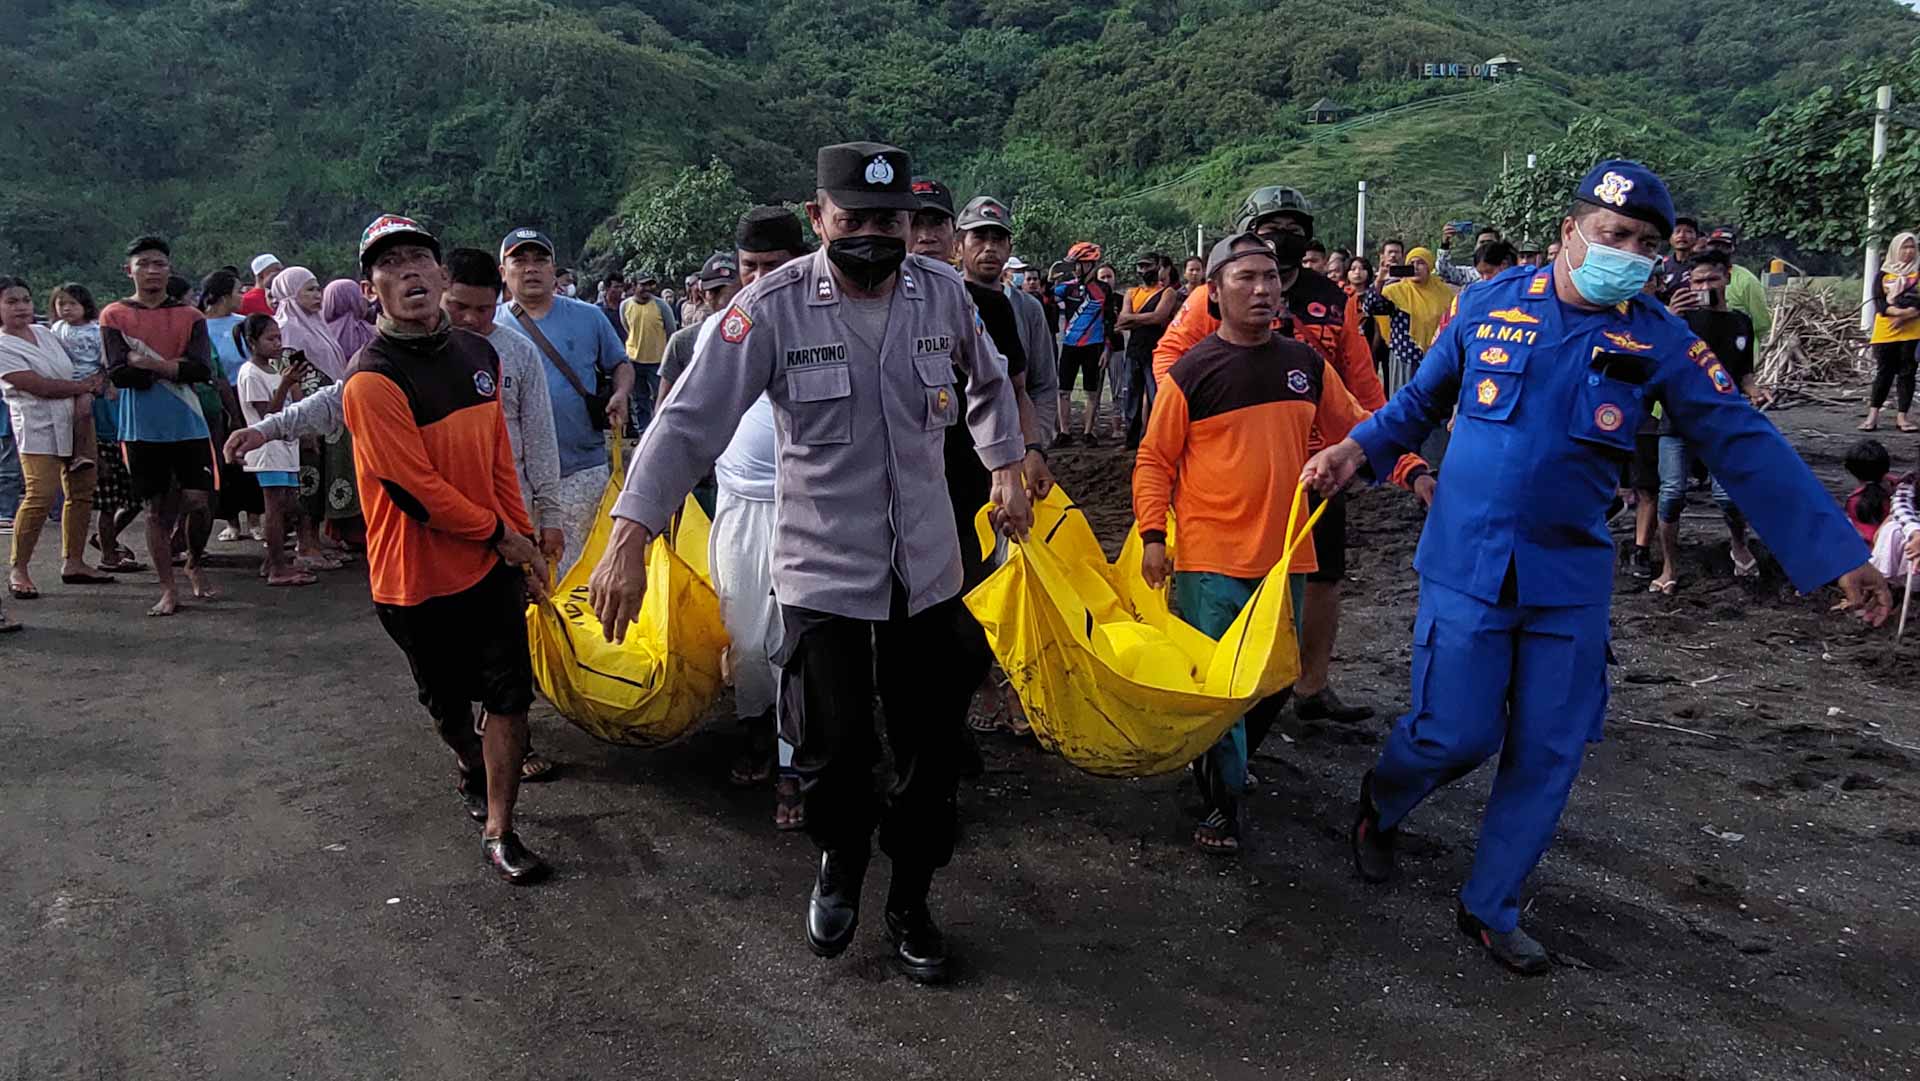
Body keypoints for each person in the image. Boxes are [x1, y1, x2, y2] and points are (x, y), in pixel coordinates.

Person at [1306, 160, 1892, 975]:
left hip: (1568, 580)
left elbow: (1743, 440)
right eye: (1614, 234)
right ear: (1569, 233)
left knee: (1548, 749)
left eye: (1646, 243)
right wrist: (1355, 450)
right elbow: (1418, 404)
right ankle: (1384, 800)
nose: (1629, 253)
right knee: (1455, 732)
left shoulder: (1657, 338)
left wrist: (1840, 555)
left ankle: (1491, 904)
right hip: (1467, 562)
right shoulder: (1486, 304)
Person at [589, 141, 1033, 984]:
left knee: (930, 752)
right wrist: (628, 536)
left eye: (891, 220)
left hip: (927, 567)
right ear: (817, 217)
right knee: (832, 748)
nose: (874, 235)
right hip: (823, 569)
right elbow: (686, 422)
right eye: (855, 218)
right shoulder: (771, 307)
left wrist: (1005, 462)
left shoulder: (942, 293)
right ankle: (840, 861)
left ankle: (911, 898)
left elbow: (988, 379)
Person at [1154, 185, 1433, 728]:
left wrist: (1398, 460)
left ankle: (1310, 684)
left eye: (1293, 228)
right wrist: (1205, 416)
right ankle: (1221, 704)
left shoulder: (1333, 298)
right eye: (1271, 228)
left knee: (1323, 576)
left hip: (1321, 468)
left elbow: (1362, 390)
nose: (1283, 238)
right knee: (1227, 583)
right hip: (1237, 465)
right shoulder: (1215, 294)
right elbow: (1171, 359)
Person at [1136, 234, 1377, 853]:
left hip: (1285, 556)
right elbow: (1154, 460)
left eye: (1270, 277)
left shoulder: (1305, 365)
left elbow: (1358, 428)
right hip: (1209, 556)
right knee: (1222, 687)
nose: (1263, 289)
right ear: (1214, 293)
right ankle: (1223, 804)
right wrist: (1154, 535)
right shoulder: (1191, 373)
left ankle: (1227, 764)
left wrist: (1408, 463)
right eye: (1245, 278)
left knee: (1273, 679)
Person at [342, 214, 552, 884]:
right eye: (389, 264)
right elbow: (416, 491)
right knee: (448, 709)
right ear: (370, 288)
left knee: (511, 696)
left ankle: (500, 829)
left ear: (440, 273)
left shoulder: (479, 357)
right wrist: (502, 535)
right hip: (414, 580)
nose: (408, 271)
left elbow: (498, 461)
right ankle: (468, 762)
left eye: (418, 258)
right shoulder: (370, 379)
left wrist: (522, 543)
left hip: (488, 570)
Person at [669, 207, 810, 825]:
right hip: (740, 508)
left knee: (798, 642)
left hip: (813, 509)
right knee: (747, 639)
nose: (758, 280)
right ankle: (755, 727)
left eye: (772, 266)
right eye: (749, 267)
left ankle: (794, 763)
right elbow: (681, 423)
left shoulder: (826, 323)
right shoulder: (715, 335)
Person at [495, 227, 632, 575]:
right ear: (503, 272)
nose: (531, 268)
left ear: (553, 270)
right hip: (515, 479)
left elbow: (620, 363)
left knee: (582, 572)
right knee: (527, 577)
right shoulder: (490, 327)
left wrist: (620, 394)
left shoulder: (589, 317)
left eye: (540, 260)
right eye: (519, 261)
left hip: (581, 470)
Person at [99, 236, 219, 617]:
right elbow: (120, 373)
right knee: (154, 509)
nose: (152, 271)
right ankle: (168, 588)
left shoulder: (191, 316)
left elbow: (201, 369)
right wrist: (173, 368)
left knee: (199, 501)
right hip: (141, 428)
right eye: (144, 264)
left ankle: (194, 560)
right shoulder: (114, 315)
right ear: (129, 270)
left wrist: (149, 363)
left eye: (160, 264)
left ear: (169, 269)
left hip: (188, 422)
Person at [1651, 249, 1766, 592]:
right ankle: (1669, 565)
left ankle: (1739, 545)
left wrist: (1756, 390)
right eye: (1697, 281)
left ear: (1727, 277)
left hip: (1723, 420)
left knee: (1728, 495)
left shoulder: (1740, 322)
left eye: (1711, 279)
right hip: (1678, 417)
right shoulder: (1678, 322)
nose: (1704, 287)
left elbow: (1744, 373)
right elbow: (1654, 356)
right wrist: (1670, 317)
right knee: (1671, 493)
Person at [0, 277, 111, 600]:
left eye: (25, 300)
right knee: (41, 494)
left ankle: (74, 561)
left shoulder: (46, 333)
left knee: (81, 490)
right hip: (36, 423)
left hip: (74, 417)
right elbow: (39, 386)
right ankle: (19, 568)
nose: (21, 307)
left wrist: (94, 381)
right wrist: (84, 387)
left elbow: (79, 365)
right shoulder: (3, 346)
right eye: (11, 302)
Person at [51, 284, 142, 571]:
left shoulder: (96, 334)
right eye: (61, 304)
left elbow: (107, 361)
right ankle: (108, 554)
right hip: (100, 440)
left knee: (136, 499)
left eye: (72, 303)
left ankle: (107, 542)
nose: (66, 309)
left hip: (121, 436)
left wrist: (105, 379)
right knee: (108, 504)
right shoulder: (57, 332)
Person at [233, 315, 317, 587]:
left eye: (279, 338)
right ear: (252, 342)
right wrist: (285, 384)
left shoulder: (273, 370)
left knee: (288, 505)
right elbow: (267, 416)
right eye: (270, 338)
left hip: (285, 448)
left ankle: (274, 560)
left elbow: (293, 407)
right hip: (268, 450)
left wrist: (292, 384)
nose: (277, 343)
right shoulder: (250, 373)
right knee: (275, 508)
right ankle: (278, 567)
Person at [194, 271, 262, 545]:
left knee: (252, 456)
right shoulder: (198, 326)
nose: (242, 296)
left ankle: (256, 519)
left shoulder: (243, 324)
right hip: (215, 399)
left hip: (246, 394)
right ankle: (232, 521)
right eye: (237, 291)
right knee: (225, 462)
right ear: (222, 296)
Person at [1115, 251, 1180, 449]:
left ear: (1158, 267)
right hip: (1134, 350)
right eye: (1141, 266)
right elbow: (1122, 320)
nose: (1144, 270)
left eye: (1148, 266)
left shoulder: (1168, 292)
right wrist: (1143, 319)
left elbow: (1159, 317)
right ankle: (1131, 440)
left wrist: (1132, 319)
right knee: (1131, 397)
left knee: (1156, 397)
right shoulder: (1132, 293)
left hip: (1156, 350)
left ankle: (1155, 440)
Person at [1054, 241, 1115, 445]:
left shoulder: (1103, 289)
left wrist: (1107, 348)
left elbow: (1109, 320)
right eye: (1074, 265)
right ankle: (1064, 432)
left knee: (1092, 391)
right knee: (1063, 390)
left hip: (1093, 345)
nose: (1075, 269)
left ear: (1089, 264)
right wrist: (1050, 280)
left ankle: (1089, 432)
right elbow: (1046, 299)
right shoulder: (1066, 287)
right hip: (1070, 345)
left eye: (1078, 264)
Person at [657, 252, 740, 399]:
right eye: (714, 292)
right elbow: (664, 402)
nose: (723, 300)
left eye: (731, 292)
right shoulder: (682, 341)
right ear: (703, 294)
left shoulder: (762, 338)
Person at [1862, 230, 1920, 433]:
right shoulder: (1883, 274)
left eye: (1912, 247)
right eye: (1904, 247)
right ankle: (1872, 416)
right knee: (1884, 373)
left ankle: (1902, 417)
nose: (1908, 251)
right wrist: (1897, 313)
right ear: (1895, 249)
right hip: (1885, 332)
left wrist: (1904, 316)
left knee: (1907, 374)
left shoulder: (1918, 272)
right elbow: (1879, 303)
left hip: (1912, 332)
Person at [621, 271, 675, 434]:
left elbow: (671, 331)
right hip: (634, 360)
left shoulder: (661, 306)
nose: (647, 288)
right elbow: (627, 327)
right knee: (639, 400)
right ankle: (643, 432)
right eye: (643, 285)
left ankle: (661, 431)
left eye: (650, 284)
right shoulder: (626, 306)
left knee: (662, 397)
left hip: (658, 361)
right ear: (634, 286)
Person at [1698, 227, 1772, 344]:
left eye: (1723, 246)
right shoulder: (1697, 279)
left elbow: (1762, 324)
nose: (1717, 249)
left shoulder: (1747, 280)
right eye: (1714, 245)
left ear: (1732, 249)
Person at [1380, 247, 1455, 352]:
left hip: (1439, 352)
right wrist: (1379, 281)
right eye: (1411, 263)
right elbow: (1373, 308)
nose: (1415, 267)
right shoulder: (1394, 291)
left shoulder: (1444, 292)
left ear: (1429, 266)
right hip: (1405, 354)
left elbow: (1453, 322)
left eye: (1420, 263)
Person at [1435, 225, 1502, 286]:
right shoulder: (1469, 274)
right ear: (1475, 247)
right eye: (1482, 242)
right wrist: (1445, 244)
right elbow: (1443, 271)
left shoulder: (1505, 271)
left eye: (1489, 242)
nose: (1485, 246)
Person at [1657, 216, 1701, 298]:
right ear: (1669, 238)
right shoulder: (1662, 266)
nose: (1682, 235)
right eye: (1677, 231)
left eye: (1688, 231)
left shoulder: (1703, 264)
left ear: (1697, 238)